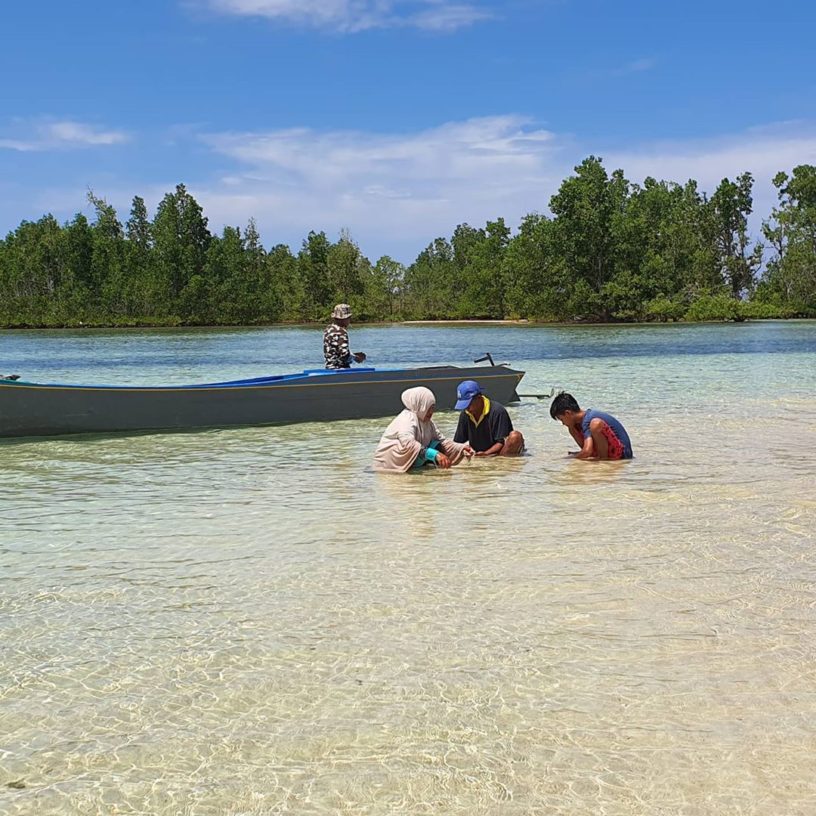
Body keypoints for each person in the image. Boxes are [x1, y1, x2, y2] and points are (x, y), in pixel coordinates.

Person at [374, 387, 473, 473]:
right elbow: (408, 444)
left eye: (433, 408)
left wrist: (462, 447)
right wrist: (435, 454)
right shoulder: (406, 419)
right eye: (428, 407)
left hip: (407, 462)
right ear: (420, 405)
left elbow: (443, 441)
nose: (431, 412)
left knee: (437, 444)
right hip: (388, 466)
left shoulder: (428, 422)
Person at [549, 392, 633, 460]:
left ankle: (603, 459)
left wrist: (569, 460)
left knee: (595, 424)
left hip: (623, 453)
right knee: (572, 428)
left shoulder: (588, 419)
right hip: (611, 449)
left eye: (562, 419)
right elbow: (586, 450)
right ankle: (598, 456)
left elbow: (587, 451)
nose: (563, 423)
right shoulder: (579, 423)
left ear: (568, 413)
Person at [452, 379, 524, 456]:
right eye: (464, 406)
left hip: (500, 452)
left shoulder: (498, 411)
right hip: (479, 454)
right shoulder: (465, 414)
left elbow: (501, 442)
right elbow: (457, 443)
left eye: (469, 405)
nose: (467, 409)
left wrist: (486, 454)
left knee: (515, 436)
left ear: (479, 398)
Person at [324, 304, 366, 369]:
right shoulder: (341, 331)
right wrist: (356, 358)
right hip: (341, 370)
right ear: (344, 319)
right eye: (349, 318)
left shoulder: (328, 329)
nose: (350, 320)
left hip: (329, 368)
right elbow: (344, 356)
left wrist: (353, 355)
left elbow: (335, 351)